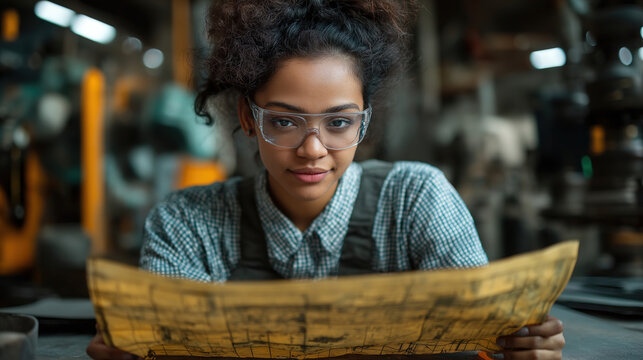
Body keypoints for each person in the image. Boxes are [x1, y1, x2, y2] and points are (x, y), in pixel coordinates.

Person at [87, 1, 565, 359]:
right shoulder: (187, 224)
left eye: (338, 123)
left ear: (364, 120)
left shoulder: (419, 201)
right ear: (247, 118)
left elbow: (479, 338)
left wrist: (516, 347)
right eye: (284, 121)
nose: (312, 150)